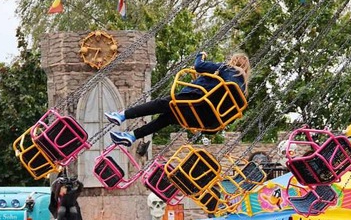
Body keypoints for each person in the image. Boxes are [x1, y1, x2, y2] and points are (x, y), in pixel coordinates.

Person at [105, 52, 251, 155]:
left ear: (234, 61)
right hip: (206, 122)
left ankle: (122, 115)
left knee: (161, 103)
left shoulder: (227, 68)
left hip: (196, 104)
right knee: (168, 117)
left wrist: (201, 54)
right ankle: (132, 136)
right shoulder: (243, 92)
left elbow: (199, 66)